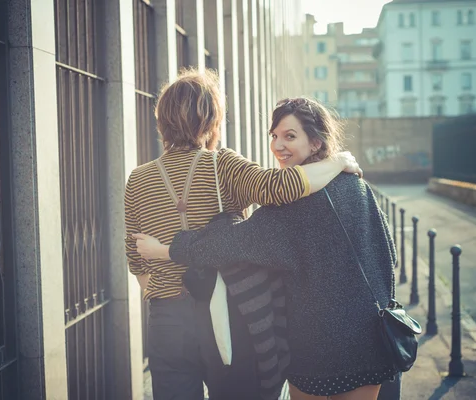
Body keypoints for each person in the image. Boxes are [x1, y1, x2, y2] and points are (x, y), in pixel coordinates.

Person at [135, 97, 398, 400]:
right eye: (274, 135)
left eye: (290, 136)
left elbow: (227, 245)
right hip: (371, 340)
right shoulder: (357, 187)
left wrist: (167, 250)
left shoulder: (290, 206)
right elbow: (388, 255)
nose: (278, 145)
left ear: (315, 143)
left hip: (314, 349)